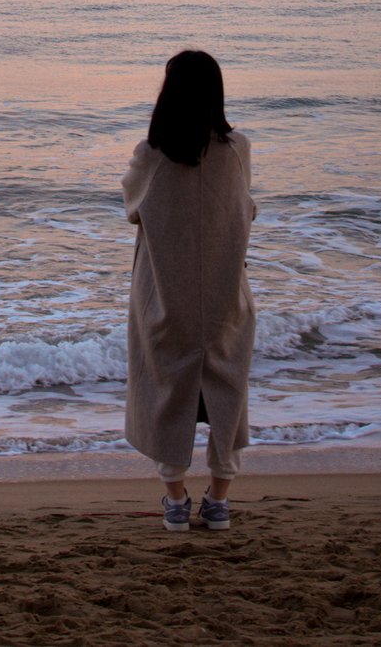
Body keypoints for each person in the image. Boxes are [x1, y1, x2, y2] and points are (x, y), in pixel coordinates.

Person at [122, 50, 256, 532]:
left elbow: (132, 207)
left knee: (165, 389)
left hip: (166, 292)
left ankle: (176, 500)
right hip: (224, 293)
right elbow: (247, 209)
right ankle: (218, 500)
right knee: (227, 389)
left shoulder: (151, 154)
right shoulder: (236, 148)